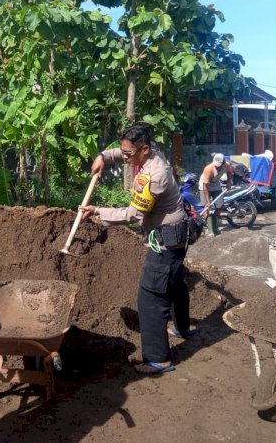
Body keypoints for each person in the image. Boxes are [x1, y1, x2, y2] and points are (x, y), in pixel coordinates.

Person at [80, 123, 193, 375]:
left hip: (166, 240)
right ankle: (181, 327)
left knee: (150, 296)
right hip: (177, 237)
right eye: (123, 152)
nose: (125, 157)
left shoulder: (153, 177)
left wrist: (98, 211)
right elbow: (122, 152)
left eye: (129, 154)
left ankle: (158, 359)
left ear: (143, 150)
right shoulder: (151, 152)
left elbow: (133, 214)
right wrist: (102, 157)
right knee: (174, 281)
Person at [199, 153, 233, 235]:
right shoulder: (208, 169)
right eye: (216, 165)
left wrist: (229, 183)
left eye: (219, 165)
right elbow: (204, 186)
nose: (217, 166)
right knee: (206, 208)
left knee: (219, 206)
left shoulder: (227, 165)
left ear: (224, 162)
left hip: (216, 185)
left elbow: (230, 173)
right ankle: (210, 230)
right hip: (204, 186)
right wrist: (208, 202)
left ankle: (215, 226)